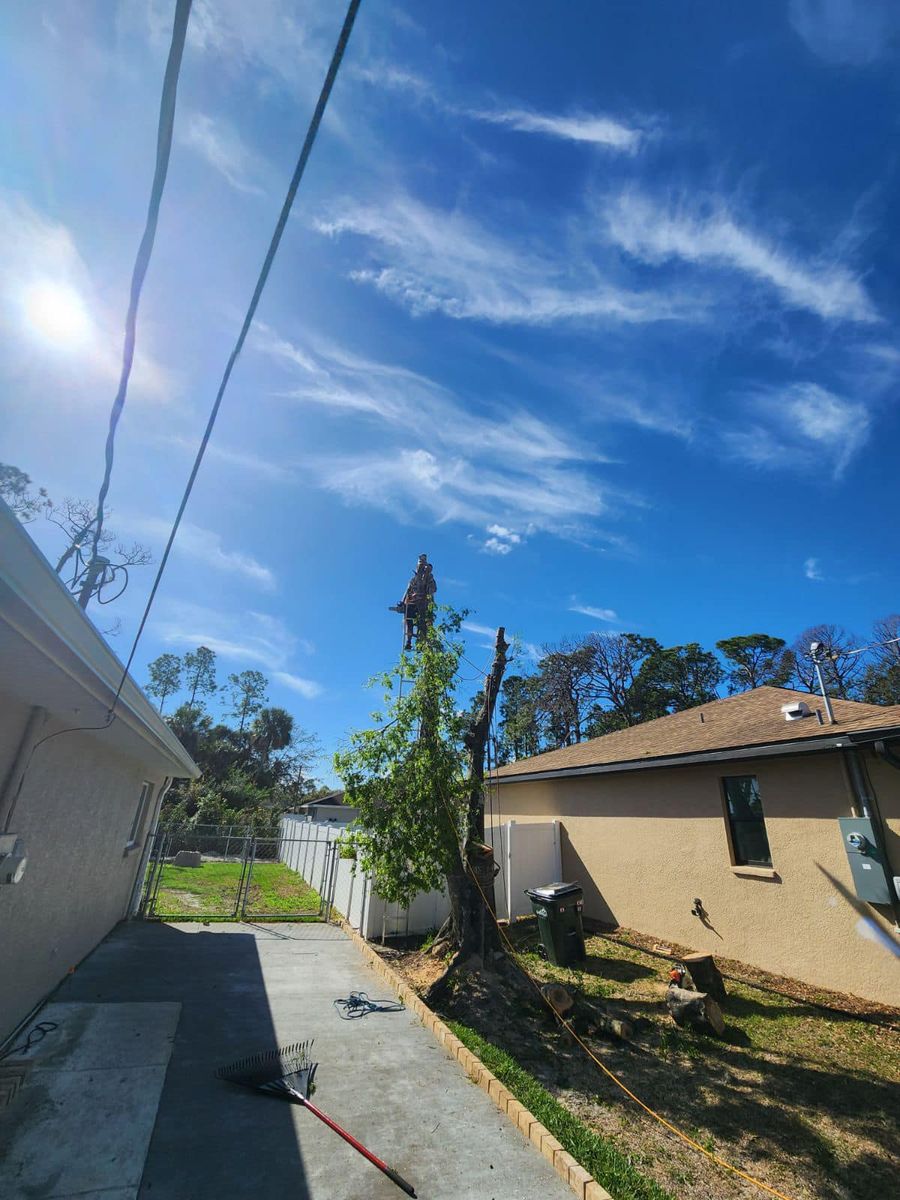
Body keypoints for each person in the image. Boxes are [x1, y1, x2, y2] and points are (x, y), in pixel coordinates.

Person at [391, 554, 437, 649]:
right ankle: (409, 641)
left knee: (422, 624)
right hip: (412, 603)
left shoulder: (430, 579)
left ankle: (422, 644)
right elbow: (407, 591)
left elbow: (432, 591)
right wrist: (402, 602)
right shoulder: (413, 580)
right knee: (410, 623)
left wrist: (429, 599)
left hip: (423, 604)